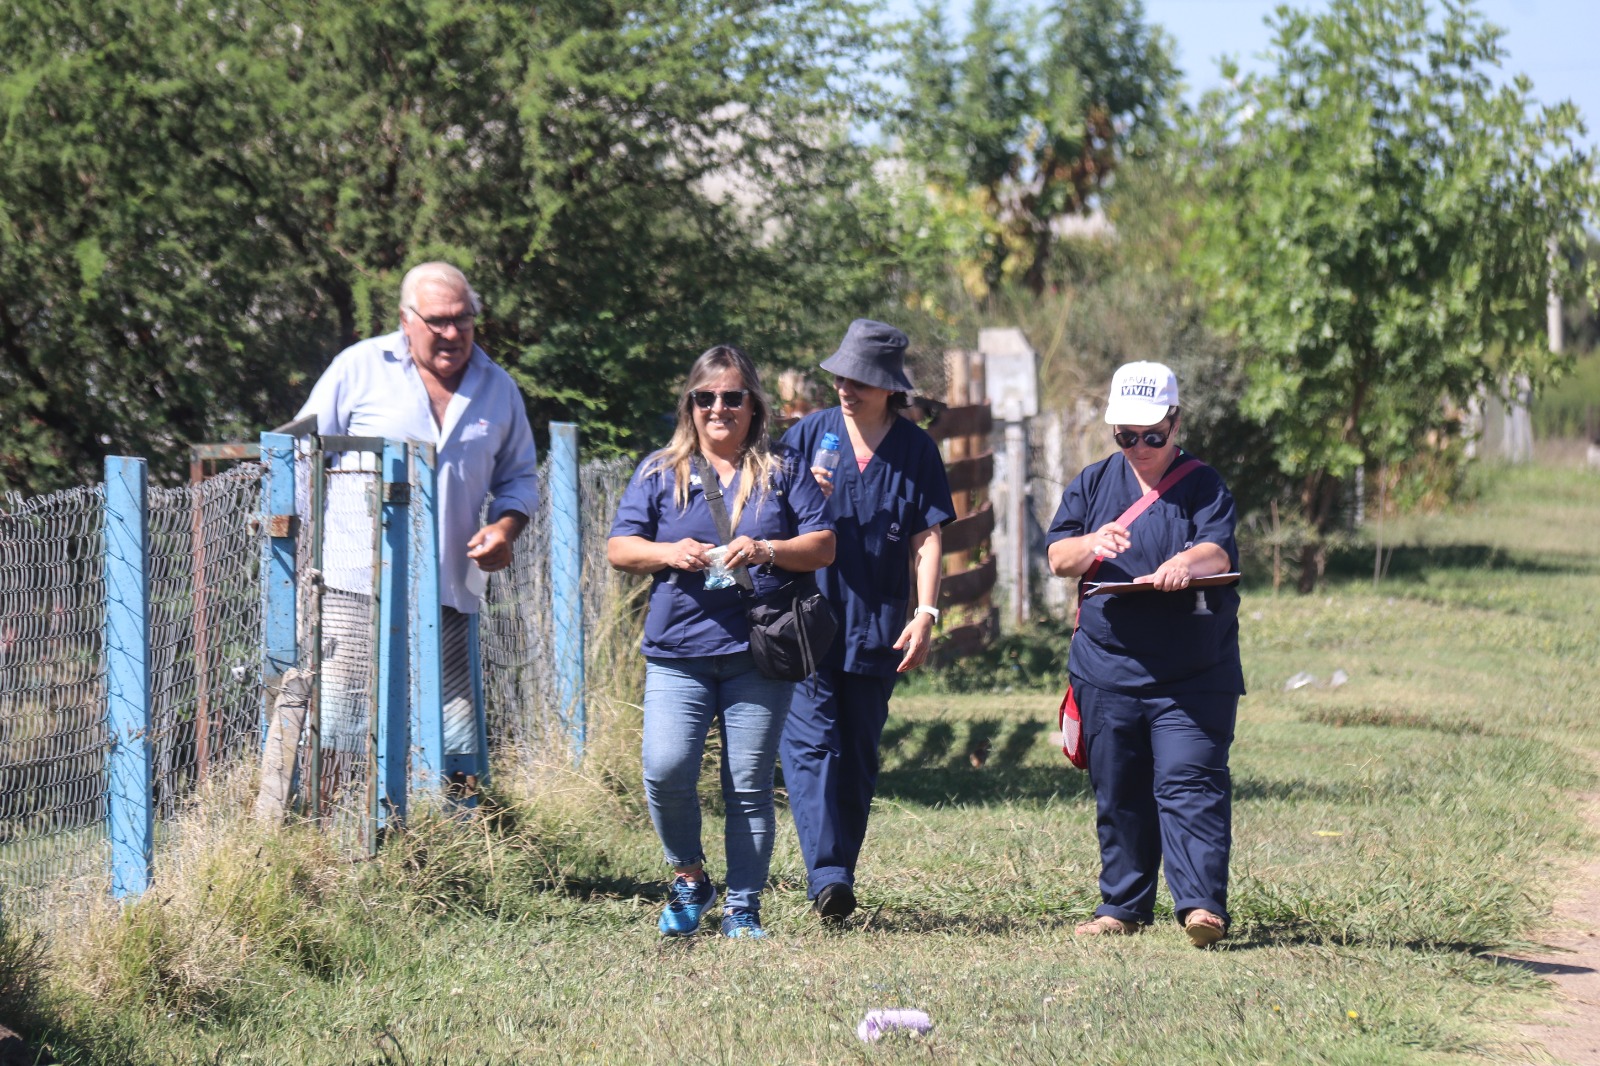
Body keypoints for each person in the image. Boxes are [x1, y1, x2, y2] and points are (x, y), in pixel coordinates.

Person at [607, 345, 835, 939]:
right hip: (677, 651)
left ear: (753, 405)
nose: (718, 408)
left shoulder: (782, 469)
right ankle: (690, 877)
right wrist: (667, 552)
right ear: (689, 404)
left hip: (758, 652)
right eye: (705, 397)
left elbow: (823, 545)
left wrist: (764, 549)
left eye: (732, 396)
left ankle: (743, 906)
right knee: (665, 770)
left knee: (749, 783)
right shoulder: (660, 471)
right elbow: (620, 548)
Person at [294, 262, 539, 796]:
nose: (452, 333)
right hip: (355, 584)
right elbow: (301, 455)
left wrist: (505, 527)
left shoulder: (497, 388)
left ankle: (454, 832)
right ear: (407, 321)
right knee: (338, 720)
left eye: (463, 319)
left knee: (455, 725)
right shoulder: (359, 368)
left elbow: (519, 475)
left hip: (451, 584)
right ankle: (326, 832)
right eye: (438, 321)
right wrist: (299, 550)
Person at [1044, 361, 1243, 947]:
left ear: (1175, 423)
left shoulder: (1203, 484)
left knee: (1190, 781)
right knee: (1120, 791)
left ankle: (1201, 907)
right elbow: (1058, 557)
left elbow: (1218, 549)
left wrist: (1186, 562)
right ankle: (1122, 907)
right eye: (1126, 436)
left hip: (1192, 670)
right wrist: (1091, 543)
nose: (1139, 448)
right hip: (1107, 667)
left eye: (1152, 436)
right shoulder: (1092, 483)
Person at [779, 320, 954, 923]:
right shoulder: (807, 437)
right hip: (806, 619)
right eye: (840, 377)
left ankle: (838, 879)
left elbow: (927, 537)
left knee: (856, 756)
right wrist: (799, 502)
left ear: (889, 387)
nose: (845, 388)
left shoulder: (916, 450)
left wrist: (925, 613)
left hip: (878, 625)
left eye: (859, 380)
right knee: (810, 746)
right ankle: (826, 874)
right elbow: (765, 519)